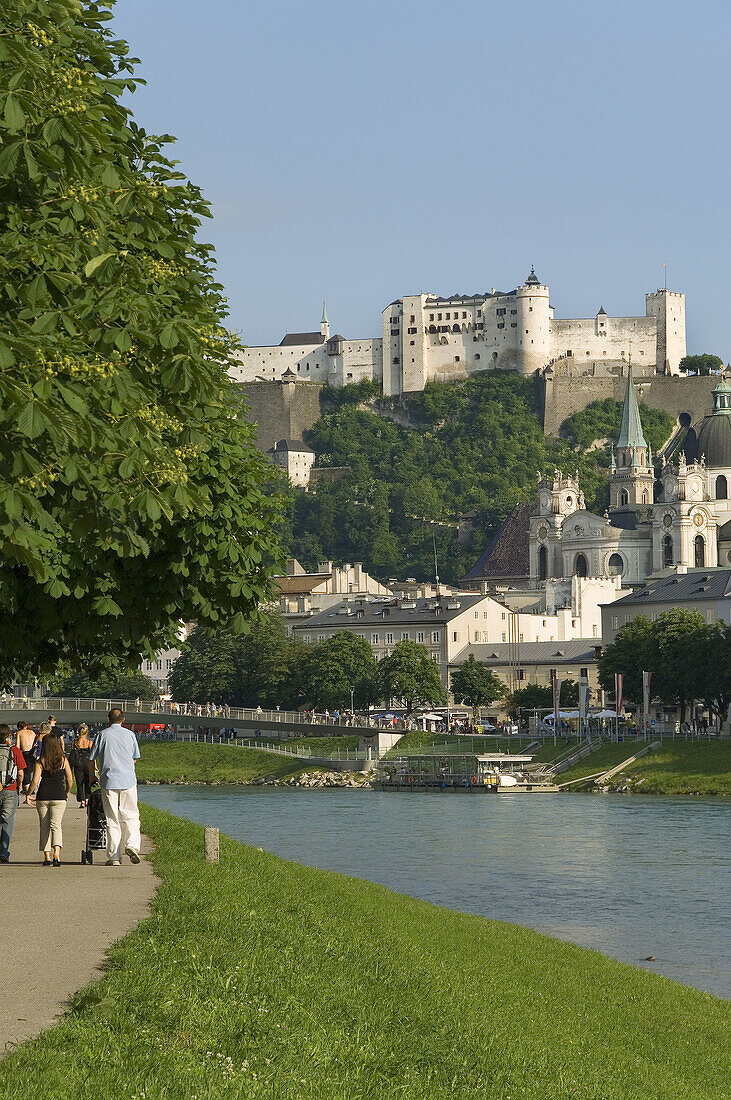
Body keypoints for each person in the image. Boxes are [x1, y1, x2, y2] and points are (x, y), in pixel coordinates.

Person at [89, 708, 141, 867]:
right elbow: (134, 758)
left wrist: (93, 776)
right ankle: (131, 844)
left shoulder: (102, 735)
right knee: (131, 815)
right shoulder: (130, 735)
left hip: (109, 781)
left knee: (112, 818)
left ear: (108, 719)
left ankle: (114, 857)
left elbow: (91, 759)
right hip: (128, 781)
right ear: (123, 720)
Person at [27, 733, 72, 866]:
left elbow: (35, 780)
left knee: (44, 826)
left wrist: (28, 793)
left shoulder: (41, 761)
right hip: (59, 796)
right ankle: (56, 854)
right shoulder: (63, 760)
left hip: (43, 796)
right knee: (56, 825)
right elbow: (69, 779)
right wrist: (67, 791)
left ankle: (47, 856)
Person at [0, 724, 25, 863]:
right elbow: (20, 773)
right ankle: (3, 851)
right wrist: (19, 787)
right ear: (8, 736)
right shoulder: (14, 750)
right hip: (10, 789)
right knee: (7, 821)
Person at [68, 724, 93, 807]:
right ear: (87, 732)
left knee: (79, 783)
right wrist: (94, 766)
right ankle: (87, 798)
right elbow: (92, 756)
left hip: (78, 764)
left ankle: (82, 800)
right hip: (87, 763)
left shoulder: (75, 743)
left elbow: (72, 754)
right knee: (87, 782)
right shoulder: (89, 743)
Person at [15, 722, 37, 797]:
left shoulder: (19, 733)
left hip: (25, 753)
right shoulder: (33, 732)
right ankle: (31, 788)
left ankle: (27, 791)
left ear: (19, 727)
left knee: (25, 771)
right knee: (31, 771)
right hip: (33, 753)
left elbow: (17, 746)